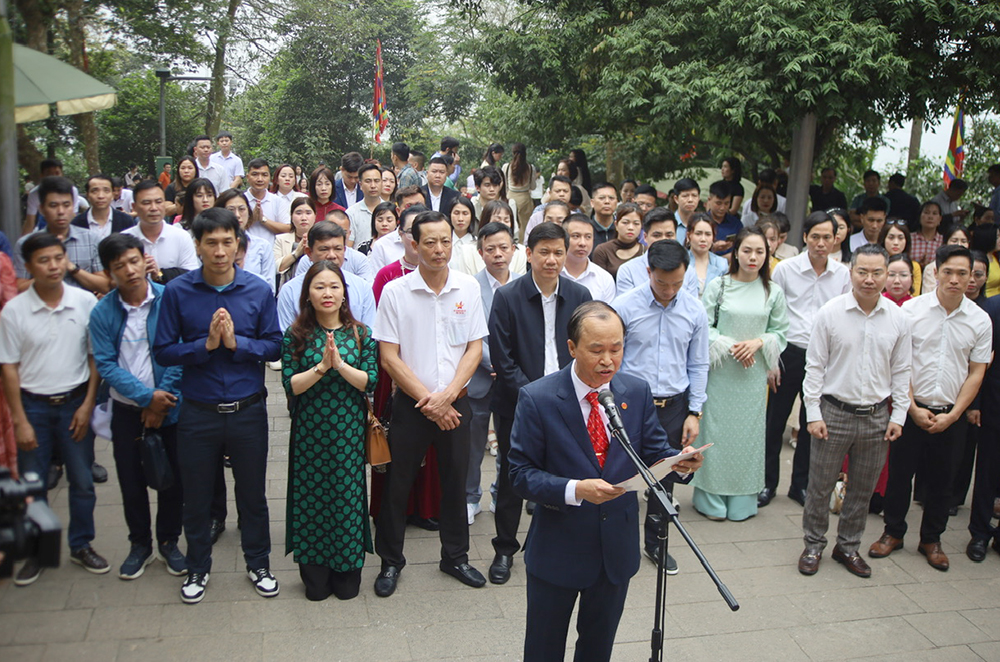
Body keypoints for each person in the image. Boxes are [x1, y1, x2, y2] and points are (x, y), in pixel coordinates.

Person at [508, 301, 704, 662]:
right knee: (543, 648)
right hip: (558, 548)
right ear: (571, 348)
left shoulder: (635, 391)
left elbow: (653, 451)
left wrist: (680, 463)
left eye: (616, 349)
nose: (608, 360)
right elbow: (520, 474)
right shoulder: (538, 398)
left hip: (615, 548)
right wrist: (574, 490)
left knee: (598, 649)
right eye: (596, 350)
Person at [153, 207, 283, 604]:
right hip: (198, 411)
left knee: (252, 495)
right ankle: (197, 568)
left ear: (238, 245)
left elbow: (274, 345)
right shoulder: (179, 292)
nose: (220, 251)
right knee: (196, 495)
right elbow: (163, 351)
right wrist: (205, 345)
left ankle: (258, 562)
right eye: (211, 243)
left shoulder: (258, 290)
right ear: (197, 245)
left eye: (228, 242)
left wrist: (236, 344)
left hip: (247, 410)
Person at [372, 210, 488, 597]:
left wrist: (449, 395)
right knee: (397, 485)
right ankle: (390, 561)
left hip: (456, 404)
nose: (439, 250)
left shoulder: (467, 288)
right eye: (430, 242)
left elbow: (474, 348)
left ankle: (455, 557)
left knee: (455, 482)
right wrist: (430, 401)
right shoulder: (396, 292)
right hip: (411, 406)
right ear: (414, 244)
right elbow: (389, 356)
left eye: (446, 241)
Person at [869, 244, 990, 572]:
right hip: (911, 409)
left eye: (963, 273)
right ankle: (892, 532)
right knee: (899, 475)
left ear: (972, 278)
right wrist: (910, 407)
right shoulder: (911, 311)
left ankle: (931, 539)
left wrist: (954, 414)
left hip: (952, 413)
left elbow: (976, 372)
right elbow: (899, 362)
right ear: (936, 272)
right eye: (948, 271)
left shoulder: (980, 320)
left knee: (942, 480)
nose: (955, 279)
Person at [487, 223, 593, 585]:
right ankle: (504, 549)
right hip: (517, 402)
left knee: (563, 475)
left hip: (568, 402)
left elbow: (587, 351)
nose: (552, 259)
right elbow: (502, 359)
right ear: (527, 254)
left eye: (558, 252)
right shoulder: (508, 296)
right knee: (512, 477)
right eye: (544, 252)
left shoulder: (580, 296)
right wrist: (535, 399)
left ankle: (549, 544)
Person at [798, 245, 911, 578]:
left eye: (878, 272)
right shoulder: (830, 313)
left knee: (862, 488)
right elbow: (814, 366)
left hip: (877, 416)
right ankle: (813, 545)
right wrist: (813, 413)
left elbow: (902, 370)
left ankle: (847, 546)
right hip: (833, 413)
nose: (870, 279)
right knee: (819, 486)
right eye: (863, 271)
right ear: (851, 272)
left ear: (887, 275)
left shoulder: (899, 318)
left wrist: (898, 416)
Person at [0, 233, 105, 585]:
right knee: (33, 485)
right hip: (33, 407)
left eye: (58, 258)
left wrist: (88, 404)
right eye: (44, 261)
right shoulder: (14, 310)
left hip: (75, 403)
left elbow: (94, 358)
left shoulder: (83, 301)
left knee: (82, 481)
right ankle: (38, 553)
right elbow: (9, 368)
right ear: (28, 267)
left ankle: (81, 544)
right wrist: (20, 420)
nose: (54, 266)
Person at [89, 233, 187, 580]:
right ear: (109, 272)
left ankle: (169, 541)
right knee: (131, 481)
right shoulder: (103, 312)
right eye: (120, 266)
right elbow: (106, 364)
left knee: (173, 479)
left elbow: (180, 350)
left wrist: (161, 398)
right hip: (127, 411)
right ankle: (139, 545)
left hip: (170, 404)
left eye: (134, 261)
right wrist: (147, 398)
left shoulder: (169, 298)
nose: (130, 271)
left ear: (144, 259)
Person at [281, 261, 377, 600]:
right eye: (319, 286)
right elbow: (290, 385)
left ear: (344, 294)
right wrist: (322, 367)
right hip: (310, 433)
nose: (327, 293)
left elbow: (370, 380)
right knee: (312, 498)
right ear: (307, 293)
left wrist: (340, 365)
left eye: (334, 287)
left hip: (348, 433)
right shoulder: (296, 335)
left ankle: (347, 565)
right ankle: (315, 570)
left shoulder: (361, 333)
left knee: (347, 498)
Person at [612, 239, 708, 570]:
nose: (669, 291)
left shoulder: (694, 310)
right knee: (621, 474)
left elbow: (698, 364)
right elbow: (613, 361)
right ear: (648, 271)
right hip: (632, 404)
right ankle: (616, 544)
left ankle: (656, 542)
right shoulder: (624, 307)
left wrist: (694, 411)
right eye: (661, 283)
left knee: (664, 478)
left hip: (674, 405)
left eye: (677, 284)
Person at [692, 228, 787, 520]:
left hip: (753, 376)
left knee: (748, 438)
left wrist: (759, 342)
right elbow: (703, 327)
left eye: (760, 252)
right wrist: (727, 344)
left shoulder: (773, 291)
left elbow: (781, 333)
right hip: (721, 373)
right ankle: (710, 499)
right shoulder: (718, 287)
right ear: (735, 252)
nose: (753, 257)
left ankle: (743, 501)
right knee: (715, 434)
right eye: (747, 250)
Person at [760, 212, 850, 508]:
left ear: (836, 238)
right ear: (805, 237)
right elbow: (772, 316)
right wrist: (771, 360)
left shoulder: (842, 274)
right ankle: (767, 483)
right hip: (789, 352)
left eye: (827, 237)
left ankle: (800, 485)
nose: (821, 243)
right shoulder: (786, 270)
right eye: (815, 237)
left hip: (824, 357)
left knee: (811, 421)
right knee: (775, 423)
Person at [467, 222, 519, 524]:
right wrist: (496, 364)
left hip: (511, 381)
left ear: (513, 249)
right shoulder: (470, 287)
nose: (498, 254)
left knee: (509, 444)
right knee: (472, 446)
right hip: (479, 378)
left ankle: (502, 495)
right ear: (480, 252)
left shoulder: (524, 285)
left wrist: (508, 368)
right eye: (490, 249)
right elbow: (469, 334)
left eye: (503, 247)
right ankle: (469, 497)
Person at [14, 176, 110, 295]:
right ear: (42, 209)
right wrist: (50, 273)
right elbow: (18, 289)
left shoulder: (91, 239)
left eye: (66, 205)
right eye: (53, 205)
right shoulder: (25, 244)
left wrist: (72, 268)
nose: (61, 212)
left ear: (73, 207)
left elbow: (104, 286)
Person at [278, 222, 375, 331]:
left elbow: (369, 336)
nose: (332, 256)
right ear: (309, 252)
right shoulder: (290, 290)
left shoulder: (362, 287)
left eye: (338, 249)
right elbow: (286, 338)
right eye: (324, 249)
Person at [966, 282, 1000, 562]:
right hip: (994, 405)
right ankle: (979, 533)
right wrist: (975, 404)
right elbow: (980, 363)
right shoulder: (994, 308)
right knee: (987, 471)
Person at [123, 181, 200, 285]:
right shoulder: (124, 240)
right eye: (146, 203)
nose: (154, 208)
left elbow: (192, 276)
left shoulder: (181, 237)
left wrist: (160, 275)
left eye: (159, 202)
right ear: (134, 207)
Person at [615, 208, 700, 298]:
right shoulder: (628, 271)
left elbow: (691, 308)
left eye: (669, 235)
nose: (663, 240)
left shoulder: (688, 272)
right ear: (645, 237)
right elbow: (626, 308)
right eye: (657, 235)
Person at [216, 189, 277, 292]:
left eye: (242, 209)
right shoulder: (213, 246)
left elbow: (270, 288)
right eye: (231, 210)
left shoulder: (263, 246)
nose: (237, 215)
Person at [22, 158, 88, 234]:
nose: (53, 177)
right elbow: (30, 221)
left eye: (57, 173)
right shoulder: (34, 194)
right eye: (49, 174)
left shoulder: (72, 190)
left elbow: (73, 215)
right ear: (42, 175)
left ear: (61, 174)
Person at [561, 214, 616, 302]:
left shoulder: (604, 278)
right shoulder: (552, 274)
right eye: (576, 236)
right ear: (563, 238)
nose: (583, 243)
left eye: (588, 237)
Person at [72, 173, 136, 240]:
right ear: (87, 195)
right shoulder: (76, 223)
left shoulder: (126, 221)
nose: (101, 196)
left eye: (106, 191)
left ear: (112, 194)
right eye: (95, 191)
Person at [592, 202, 644, 279]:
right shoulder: (602, 251)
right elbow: (599, 282)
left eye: (636, 223)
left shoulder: (646, 252)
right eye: (625, 223)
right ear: (616, 225)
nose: (631, 227)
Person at [274, 197, 317, 291]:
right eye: (298, 213)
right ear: (291, 217)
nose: (304, 218)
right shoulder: (280, 239)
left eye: (308, 213)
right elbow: (277, 267)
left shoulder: (322, 239)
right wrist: (297, 252)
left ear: (315, 216)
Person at [921, 224, 971, 294]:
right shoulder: (931, 267)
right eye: (954, 240)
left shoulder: (972, 265)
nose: (959, 244)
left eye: (963, 241)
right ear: (946, 242)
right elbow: (928, 293)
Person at [346, 164, 387, 248]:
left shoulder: (390, 210)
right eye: (368, 181)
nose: (373, 186)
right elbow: (348, 246)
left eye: (376, 181)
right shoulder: (351, 213)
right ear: (360, 185)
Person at [686, 212, 728, 295]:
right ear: (689, 235)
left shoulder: (722, 264)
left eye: (708, 234)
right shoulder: (680, 261)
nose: (703, 239)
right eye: (698, 234)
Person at [878, 219, 922, 294]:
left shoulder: (914, 266)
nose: (896, 243)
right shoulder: (876, 264)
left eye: (900, 238)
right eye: (891, 238)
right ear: (883, 239)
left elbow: (914, 296)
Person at [502, 142, 537, 232]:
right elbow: (533, 187)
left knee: (510, 223)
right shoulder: (530, 167)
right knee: (525, 226)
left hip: (510, 198)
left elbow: (504, 185)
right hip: (525, 199)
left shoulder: (506, 167)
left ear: (513, 153)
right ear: (525, 153)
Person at [705, 181, 742, 255]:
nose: (722, 208)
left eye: (726, 203)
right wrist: (712, 248)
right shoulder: (700, 222)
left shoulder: (736, 224)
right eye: (718, 203)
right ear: (709, 200)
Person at [909, 201, 944, 268]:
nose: (930, 217)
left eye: (934, 213)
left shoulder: (944, 241)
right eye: (926, 213)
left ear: (940, 219)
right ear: (919, 216)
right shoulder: (909, 238)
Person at [589, 182, 618, 248]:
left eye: (611, 198)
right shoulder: (586, 229)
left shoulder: (621, 229)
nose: (607, 202)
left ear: (617, 202)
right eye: (602, 198)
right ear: (592, 203)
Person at [672, 178, 701, 243]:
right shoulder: (669, 223)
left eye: (694, 195)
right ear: (676, 199)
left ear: (698, 198)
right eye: (685, 196)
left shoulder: (703, 223)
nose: (690, 200)